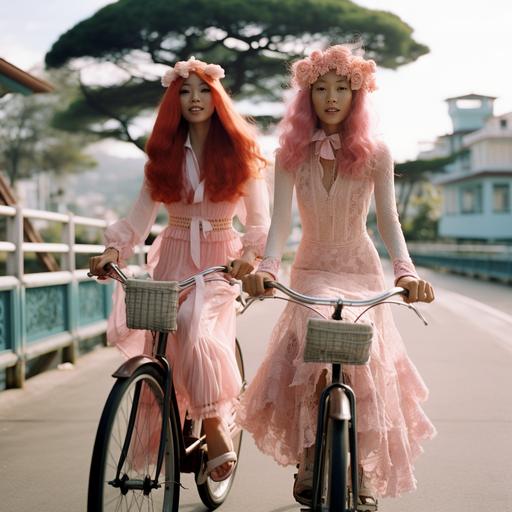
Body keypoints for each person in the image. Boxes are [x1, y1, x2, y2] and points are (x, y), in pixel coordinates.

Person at [238, 44, 436, 510]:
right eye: (320, 88)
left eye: (341, 88)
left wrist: (406, 273)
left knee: (361, 350)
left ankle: (362, 470)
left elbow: (388, 220)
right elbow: (281, 224)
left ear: (357, 94)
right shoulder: (288, 154)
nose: (330, 97)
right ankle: (309, 457)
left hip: (360, 267)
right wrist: (267, 268)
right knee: (313, 336)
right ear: (306, 96)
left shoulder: (377, 153)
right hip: (310, 268)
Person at [89, 56, 270, 482]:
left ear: (217, 97)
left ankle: (212, 425)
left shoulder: (242, 154)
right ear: (174, 101)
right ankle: (174, 426)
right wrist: (115, 251)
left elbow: (259, 221)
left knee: (195, 322)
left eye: (204, 90)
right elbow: (138, 219)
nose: (194, 99)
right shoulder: (163, 157)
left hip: (220, 261)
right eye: (184, 92)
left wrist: (250, 256)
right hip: (170, 257)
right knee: (163, 347)